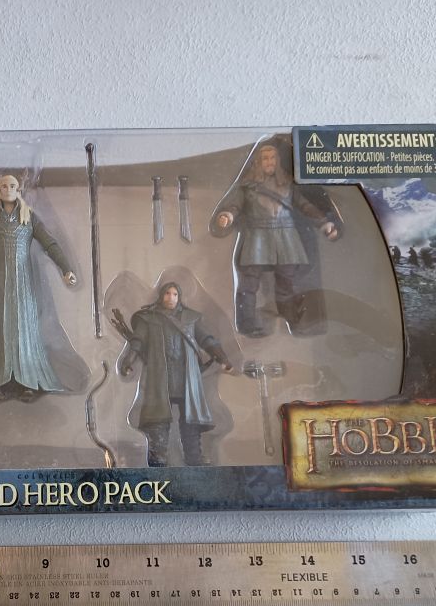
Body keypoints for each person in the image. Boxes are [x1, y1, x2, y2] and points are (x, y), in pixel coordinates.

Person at [0, 174, 77, 402]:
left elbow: (50, 243)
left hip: (24, 284)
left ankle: (29, 381)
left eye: (12, 186)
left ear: (19, 189)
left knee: (25, 328)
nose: (8, 189)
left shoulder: (29, 218)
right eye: (4, 186)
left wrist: (66, 269)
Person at [210, 140, 341, 337]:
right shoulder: (247, 185)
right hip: (257, 235)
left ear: (277, 160)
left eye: (272, 158)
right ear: (258, 161)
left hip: (285, 236)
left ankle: (291, 320)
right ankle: (246, 323)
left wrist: (324, 223)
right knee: (248, 283)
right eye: (265, 158)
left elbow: (304, 206)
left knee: (287, 281)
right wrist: (227, 215)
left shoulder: (287, 183)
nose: (269, 162)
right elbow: (235, 204)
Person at [119, 282, 233, 467]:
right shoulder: (148, 318)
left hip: (186, 376)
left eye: (174, 294)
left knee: (191, 421)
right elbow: (137, 341)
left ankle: (194, 460)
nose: (170, 298)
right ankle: (158, 461)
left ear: (179, 297)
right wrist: (128, 361)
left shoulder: (190, 318)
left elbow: (206, 339)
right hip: (160, 377)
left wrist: (223, 358)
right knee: (158, 420)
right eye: (167, 293)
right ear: (161, 295)